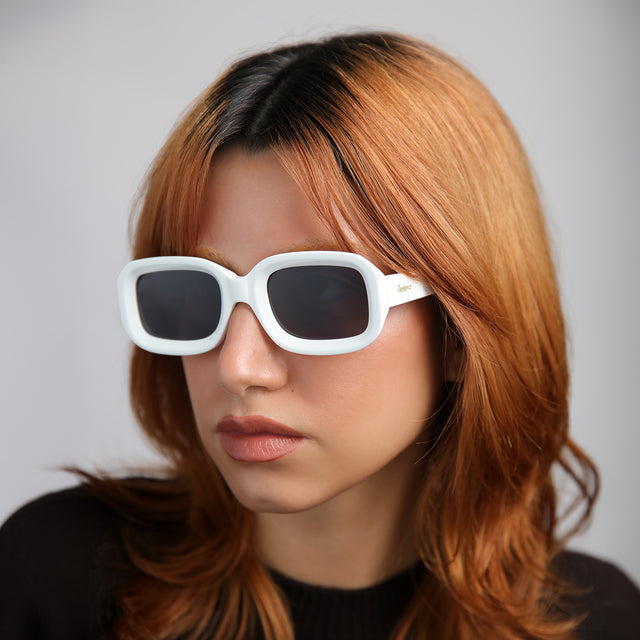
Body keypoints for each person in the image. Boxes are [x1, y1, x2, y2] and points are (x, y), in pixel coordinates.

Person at [1, 31, 638, 640]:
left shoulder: (598, 622)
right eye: (197, 293)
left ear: (457, 332)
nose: (238, 367)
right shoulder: (57, 581)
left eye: (319, 295)